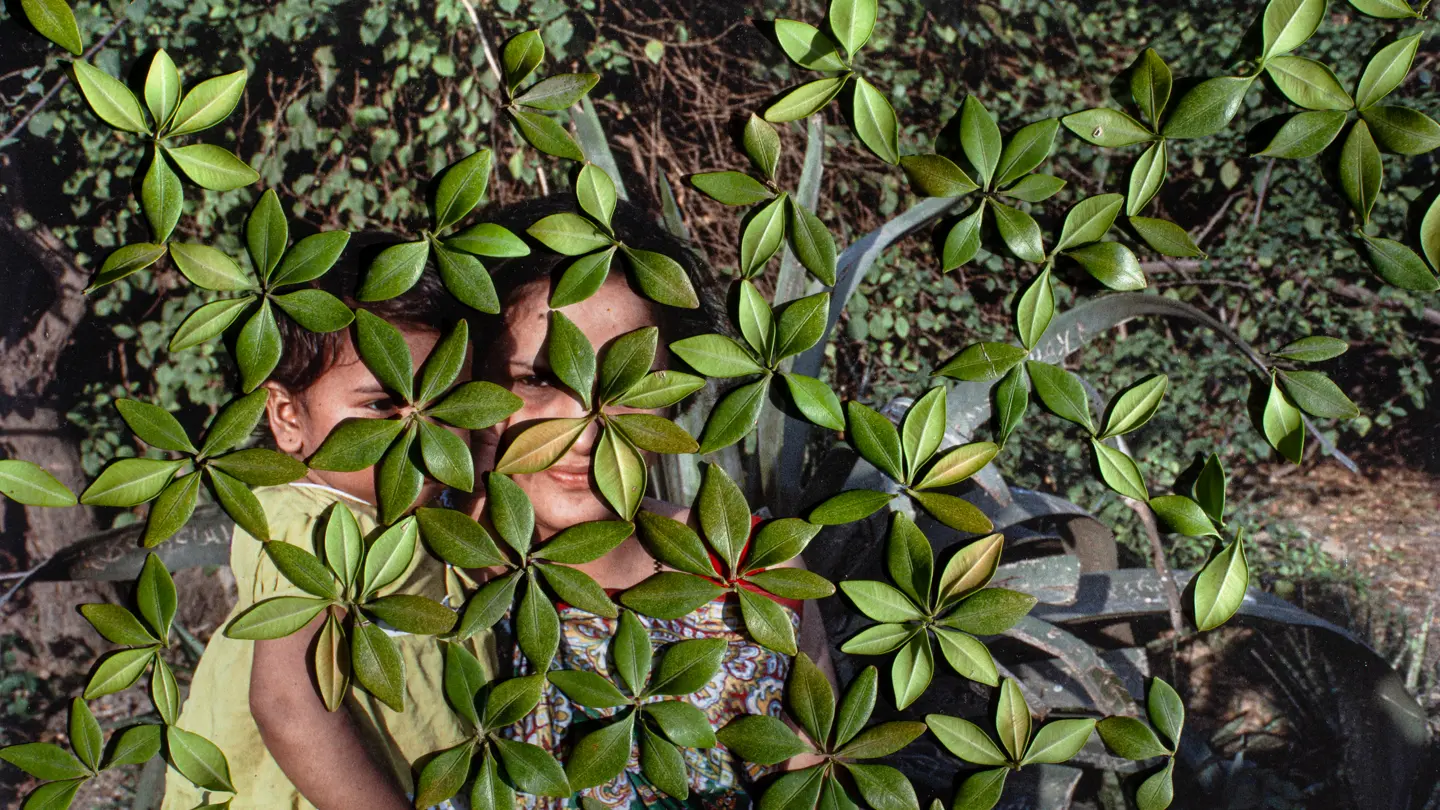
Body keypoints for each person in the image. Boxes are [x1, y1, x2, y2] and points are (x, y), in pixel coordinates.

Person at [470, 195, 832, 808]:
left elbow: (815, 785)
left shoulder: (750, 570)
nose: (584, 432)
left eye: (628, 385)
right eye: (536, 380)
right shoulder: (425, 580)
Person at [161, 234, 480, 810]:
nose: (418, 430)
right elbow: (289, 704)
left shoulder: (421, 512)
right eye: (381, 406)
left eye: (445, 402)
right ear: (288, 418)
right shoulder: (316, 524)